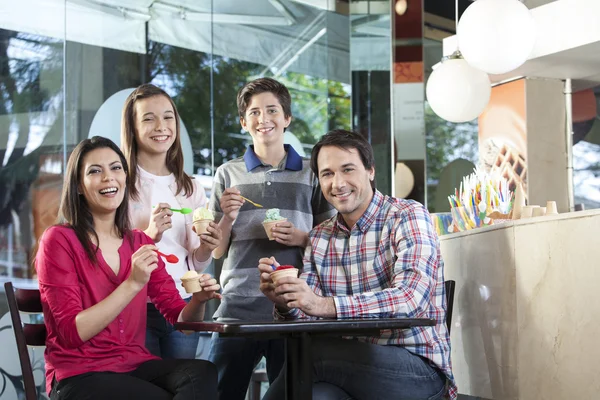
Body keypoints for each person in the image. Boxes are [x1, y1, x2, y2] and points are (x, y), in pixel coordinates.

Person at [258, 129, 458, 400]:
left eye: (348, 169)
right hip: (347, 372)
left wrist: (322, 304)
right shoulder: (320, 237)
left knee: (312, 354)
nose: (338, 183)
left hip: (417, 370)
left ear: (371, 171)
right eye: (327, 174)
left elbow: (411, 299)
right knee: (312, 394)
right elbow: (307, 315)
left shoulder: (408, 216)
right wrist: (286, 301)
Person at [36, 136, 220, 400]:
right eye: (95, 171)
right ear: (78, 185)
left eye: (116, 168)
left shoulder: (140, 242)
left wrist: (199, 300)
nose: (108, 177)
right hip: (79, 375)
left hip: (134, 365)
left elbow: (183, 323)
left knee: (201, 373)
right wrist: (132, 283)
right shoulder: (59, 240)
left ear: (125, 178)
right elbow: (72, 333)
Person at [208, 77, 335, 399]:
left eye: (272, 110)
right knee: (219, 393)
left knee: (290, 394)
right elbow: (217, 249)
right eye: (254, 112)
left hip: (295, 308)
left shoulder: (312, 172)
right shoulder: (227, 174)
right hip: (237, 308)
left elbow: (330, 243)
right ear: (243, 122)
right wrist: (227, 216)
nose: (263, 119)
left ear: (287, 118)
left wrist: (300, 237)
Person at [121, 83, 222, 359]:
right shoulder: (120, 182)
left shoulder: (190, 187)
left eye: (168, 117)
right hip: (134, 303)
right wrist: (148, 234)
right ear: (132, 127)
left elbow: (196, 261)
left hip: (183, 300)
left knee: (183, 384)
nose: (161, 126)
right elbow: (110, 250)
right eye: (149, 118)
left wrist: (206, 247)